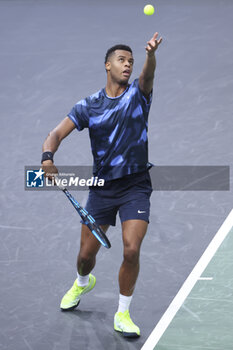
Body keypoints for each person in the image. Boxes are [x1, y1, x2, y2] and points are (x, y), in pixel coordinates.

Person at [41, 32, 162, 338]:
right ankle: (83, 283)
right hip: (102, 189)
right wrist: (47, 158)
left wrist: (150, 56)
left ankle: (123, 312)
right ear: (107, 65)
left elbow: (148, 76)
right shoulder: (89, 105)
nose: (128, 66)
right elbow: (55, 134)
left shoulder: (139, 94)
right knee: (85, 257)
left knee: (131, 249)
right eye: (122, 60)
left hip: (135, 185)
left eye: (131, 62)